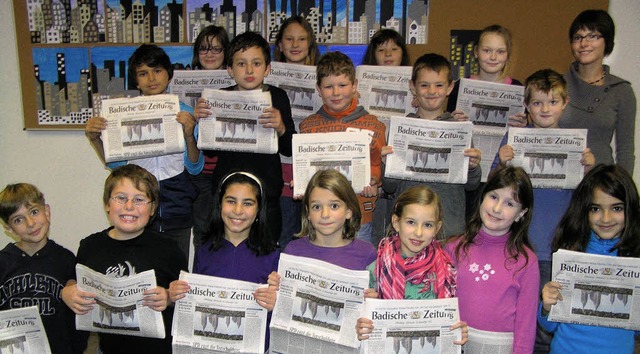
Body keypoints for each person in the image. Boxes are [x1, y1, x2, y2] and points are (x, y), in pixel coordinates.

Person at [85, 44, 204, 259]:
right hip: (137, 202)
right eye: (143, 73)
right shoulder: (124, 114)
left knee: (175, 270)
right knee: (139, 267)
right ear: (136, 80)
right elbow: (115, 166)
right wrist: (95, 140)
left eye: (157, 70)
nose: (151, 79)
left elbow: (195, 167)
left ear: (169, 74)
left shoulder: (185, 112)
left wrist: (189, 133)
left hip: (177, 203)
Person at [61, 164, 187, 354]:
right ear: (107, 204)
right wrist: (67, 292)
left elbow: (182, 297)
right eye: (121, 198)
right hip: (107, 348)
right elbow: (74, 280)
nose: (129, 206)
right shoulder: (90, 246)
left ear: (152, 208)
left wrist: (168, 297)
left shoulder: (168, 249)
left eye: (139, 200)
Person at [192, 31, 296, 244]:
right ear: (229, 69)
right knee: (225, 249)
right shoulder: (219, 97)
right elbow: (210, 151)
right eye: (241, 64)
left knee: (266, 252)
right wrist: (203, 122)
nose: (249, 70)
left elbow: (289, 149)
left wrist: (281, 127)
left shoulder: (277, 96)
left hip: (267, 192)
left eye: (256, 63)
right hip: (227, 190)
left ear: (267, 68)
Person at [168, 172, 279, 349]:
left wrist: (277, 302)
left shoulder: (273, 255)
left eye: (248, 203)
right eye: (231, 201)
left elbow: (279, 316)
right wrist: (176, 296)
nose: (238, 210)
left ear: (259, 210)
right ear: (219, 204)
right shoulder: (204, 250)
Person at [538, 164, 640, 353]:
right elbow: (550, 326)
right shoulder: (571, 251)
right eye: (596, 209)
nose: (606, 218)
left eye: (617, 208)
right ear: (584, 210)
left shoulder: (636, 257)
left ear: (630, 209)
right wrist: (546, 306)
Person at [354, 185, 468, 345]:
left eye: (428, 225)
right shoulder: (375, 271)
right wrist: (362, 324)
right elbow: (363, 325)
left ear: (437, 228)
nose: (419, 232)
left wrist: (458, 332)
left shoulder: (447, 271)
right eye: (411, 222)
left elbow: (452, 322)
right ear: (396, 222)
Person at [384, 53, 482, 238]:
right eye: (424, 85)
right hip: (408, 231)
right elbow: (389, 186)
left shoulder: (460, 129)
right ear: (412, 87)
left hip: (449, 229)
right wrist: (385, 164)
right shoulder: (400, 128)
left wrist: (473, 167)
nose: (431, 91)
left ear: (450, 87)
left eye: (439, 85)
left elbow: (472, 185)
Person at [445, 166, 539, 353]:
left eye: (509, 204)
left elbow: (526, 324)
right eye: (493, 197)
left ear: (521, 213)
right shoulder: (453, 247)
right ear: (483, 197)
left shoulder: (526, 261)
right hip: (454, 344)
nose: (497, 209)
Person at [299, 51, 386, 245]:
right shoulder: (307, 127)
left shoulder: (375, 126)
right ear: (319, 90)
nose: (336, 93)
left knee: (358, 268)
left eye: (343, 85)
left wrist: (374, 181)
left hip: (360, 216)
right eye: (329, 87)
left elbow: (378, 166)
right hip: (320, 219)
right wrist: (300, 183)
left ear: (354, 86)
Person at [445, 24, 528, 222]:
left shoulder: (518, 89)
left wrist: (524, 125)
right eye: (487, 50)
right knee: (469, 223)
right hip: (469, 172)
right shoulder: (458, 88)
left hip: (502, 175)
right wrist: (453, 121)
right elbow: (444, 126)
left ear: (508, 55)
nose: (493, 57)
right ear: (476, 52)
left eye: (500, 51)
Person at [0, 183, 86, 354]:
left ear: (46, 211)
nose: (30, 223)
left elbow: (79, 318)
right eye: (18, 219)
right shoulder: (2, 262)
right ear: (9, 228)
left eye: (34, 212)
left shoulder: (67, 260)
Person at [560, 9, 636, 175]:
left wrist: (621, 191)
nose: (584, 43)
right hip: (558, 181)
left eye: (593, 36)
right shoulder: (556, 85)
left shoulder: (622, 91)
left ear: (607, 41)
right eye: (578, 37)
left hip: (600, 185)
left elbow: (625, 151)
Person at [273, 16, 319, 248]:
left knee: (314, 236)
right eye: (289, 39)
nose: (295, 44)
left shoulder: (324, 78)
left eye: (301, 39)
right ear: (279, 44)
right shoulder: (267, 77)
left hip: (315, 164)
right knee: (286, 235)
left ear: (310, 43)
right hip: (282, 165)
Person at [282, 169, 377, 270]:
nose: (325, 214)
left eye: (334, 206)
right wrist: (277, 284)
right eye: (317, 207)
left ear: (349, 210)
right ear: (308, 212)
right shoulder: (293, 251)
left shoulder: (366, 253)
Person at [188, 25, 230, 248]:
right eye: (204, 49)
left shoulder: (239, 84)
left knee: (231, 234)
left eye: (216, 48)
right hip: (200, 172)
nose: (210, 54)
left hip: (229, 169)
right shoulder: (183, 83)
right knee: (203, 233)